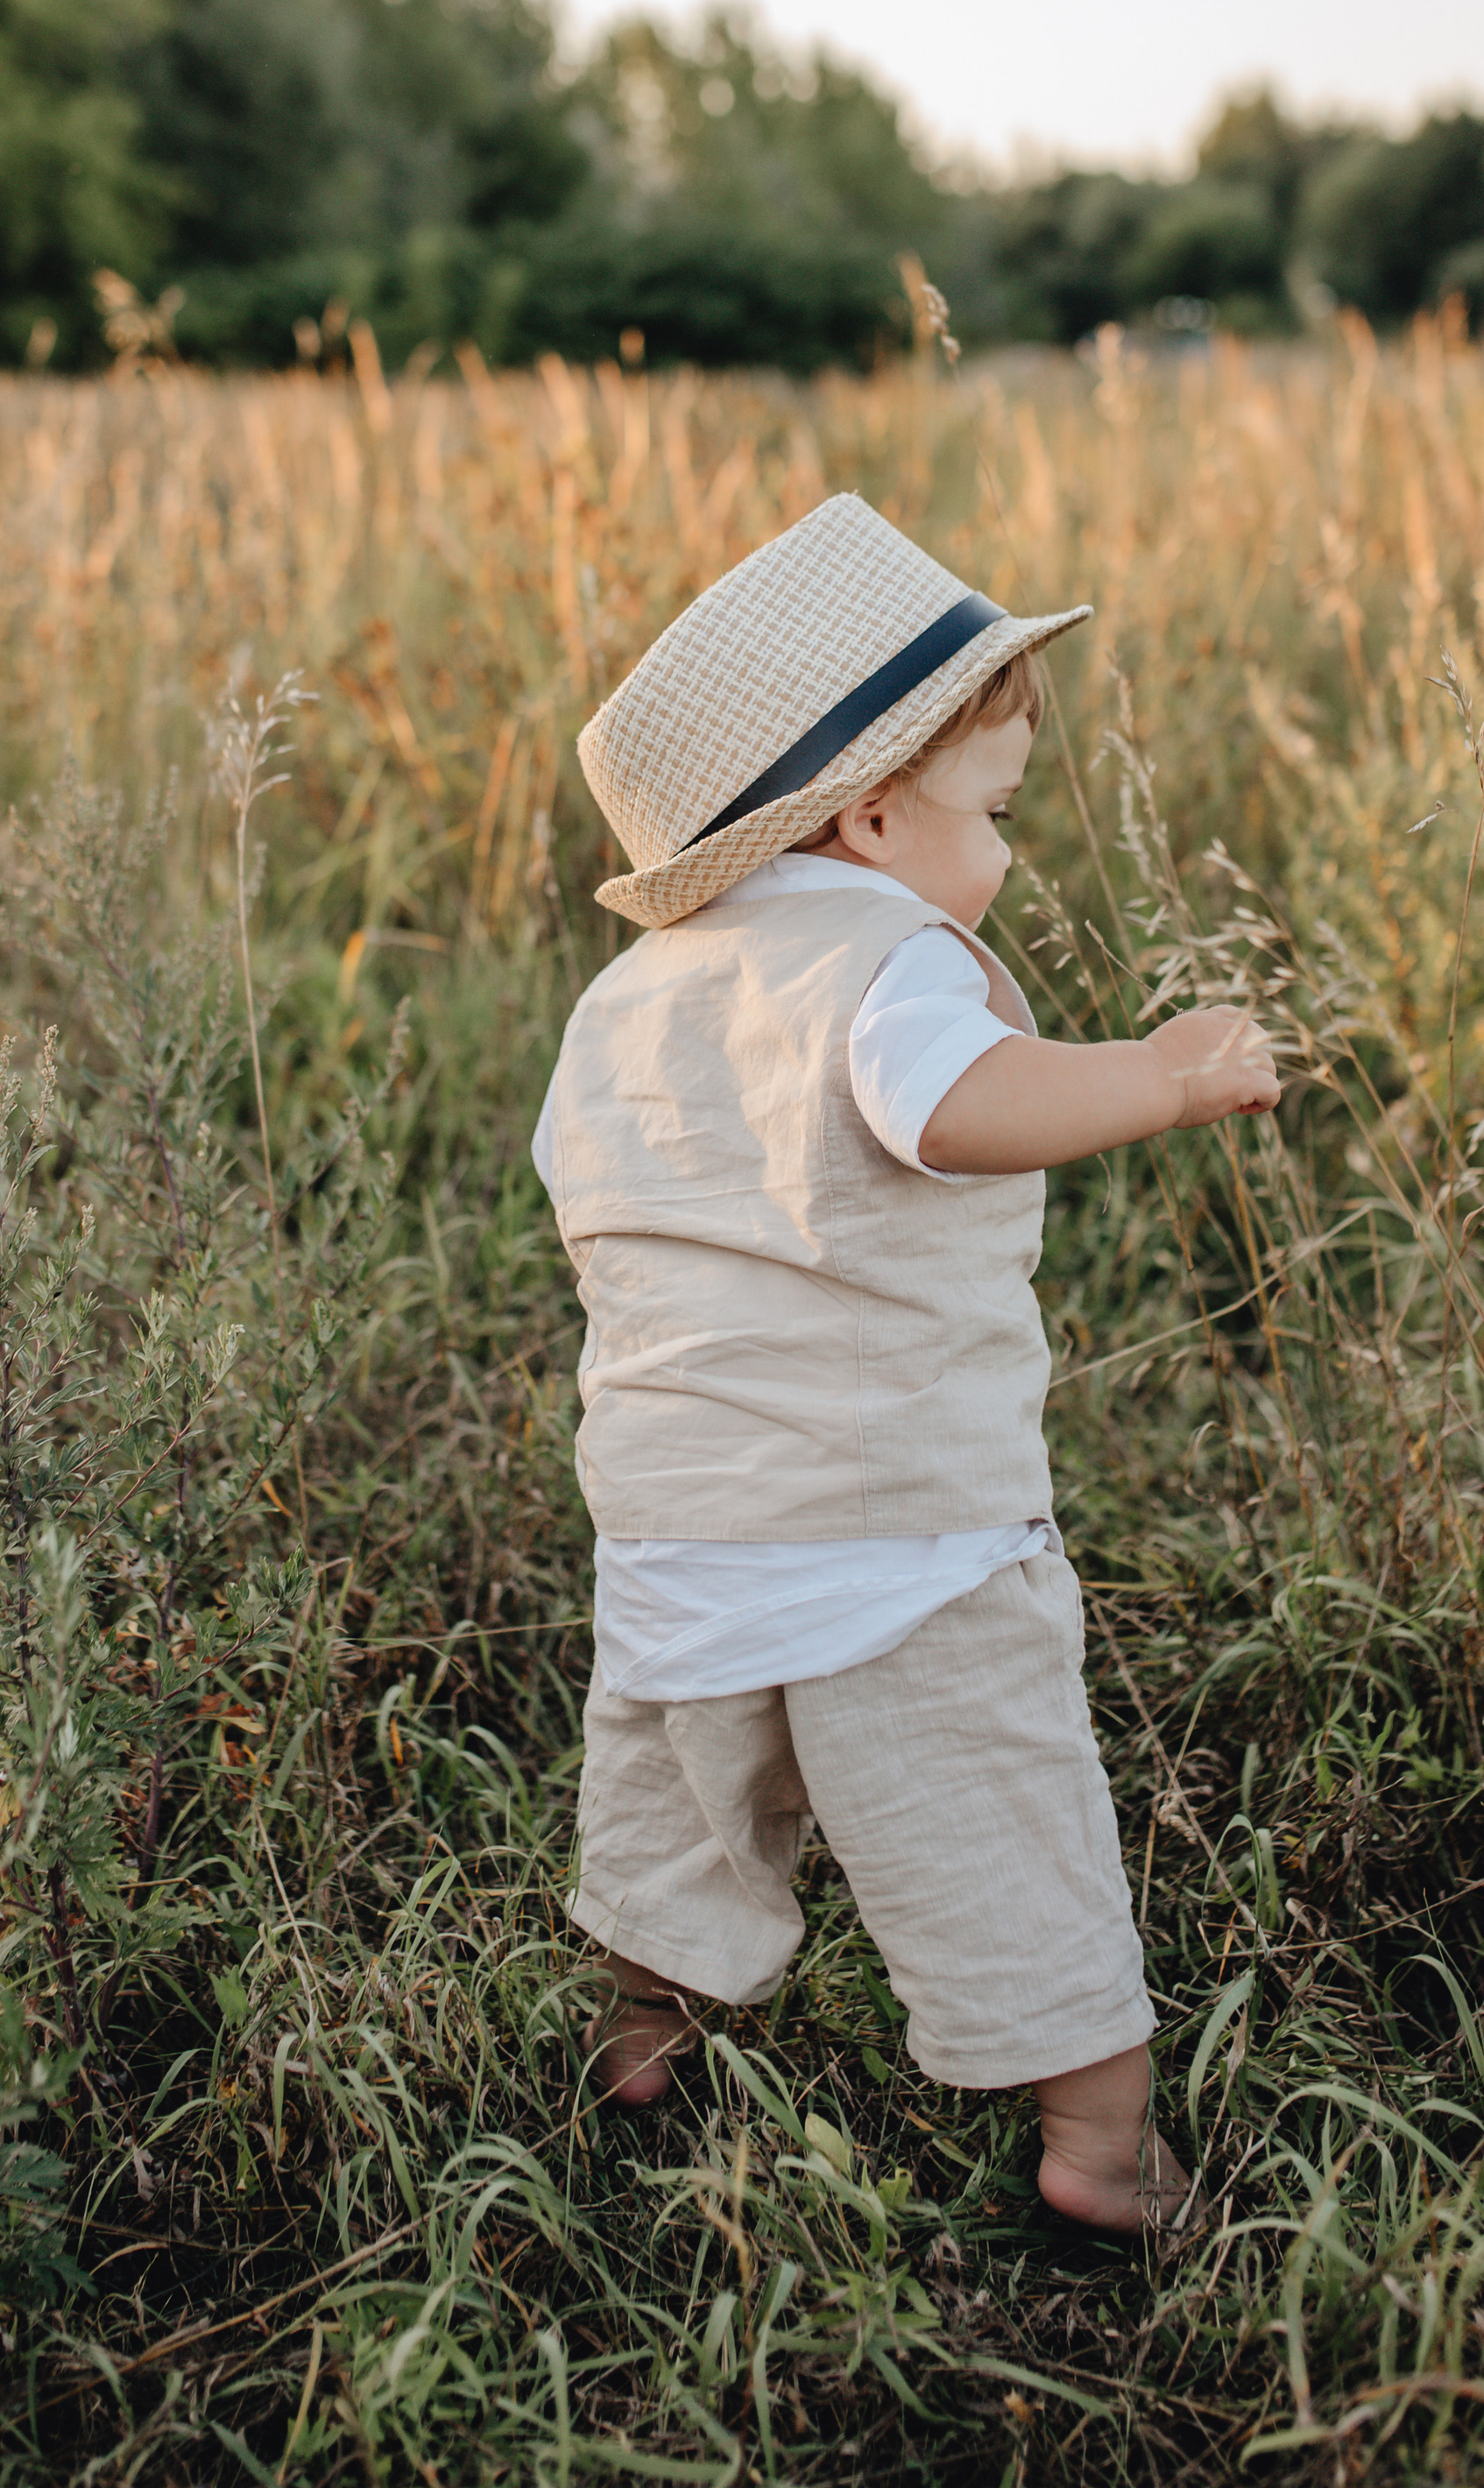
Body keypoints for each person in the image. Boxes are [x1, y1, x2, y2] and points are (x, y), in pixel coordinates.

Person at [530, 491, 1278, 2231]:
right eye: (994, 815)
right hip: (901, 1540)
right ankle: (1099, 2150)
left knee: (678, 1819)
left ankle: (643, 2036)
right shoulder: (882, 955)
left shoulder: (621, 1003)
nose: (1008, 856)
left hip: (674, 1531)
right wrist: (1160, 1077)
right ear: (869, 818)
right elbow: (952, 1106)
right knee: (1000, 1828)